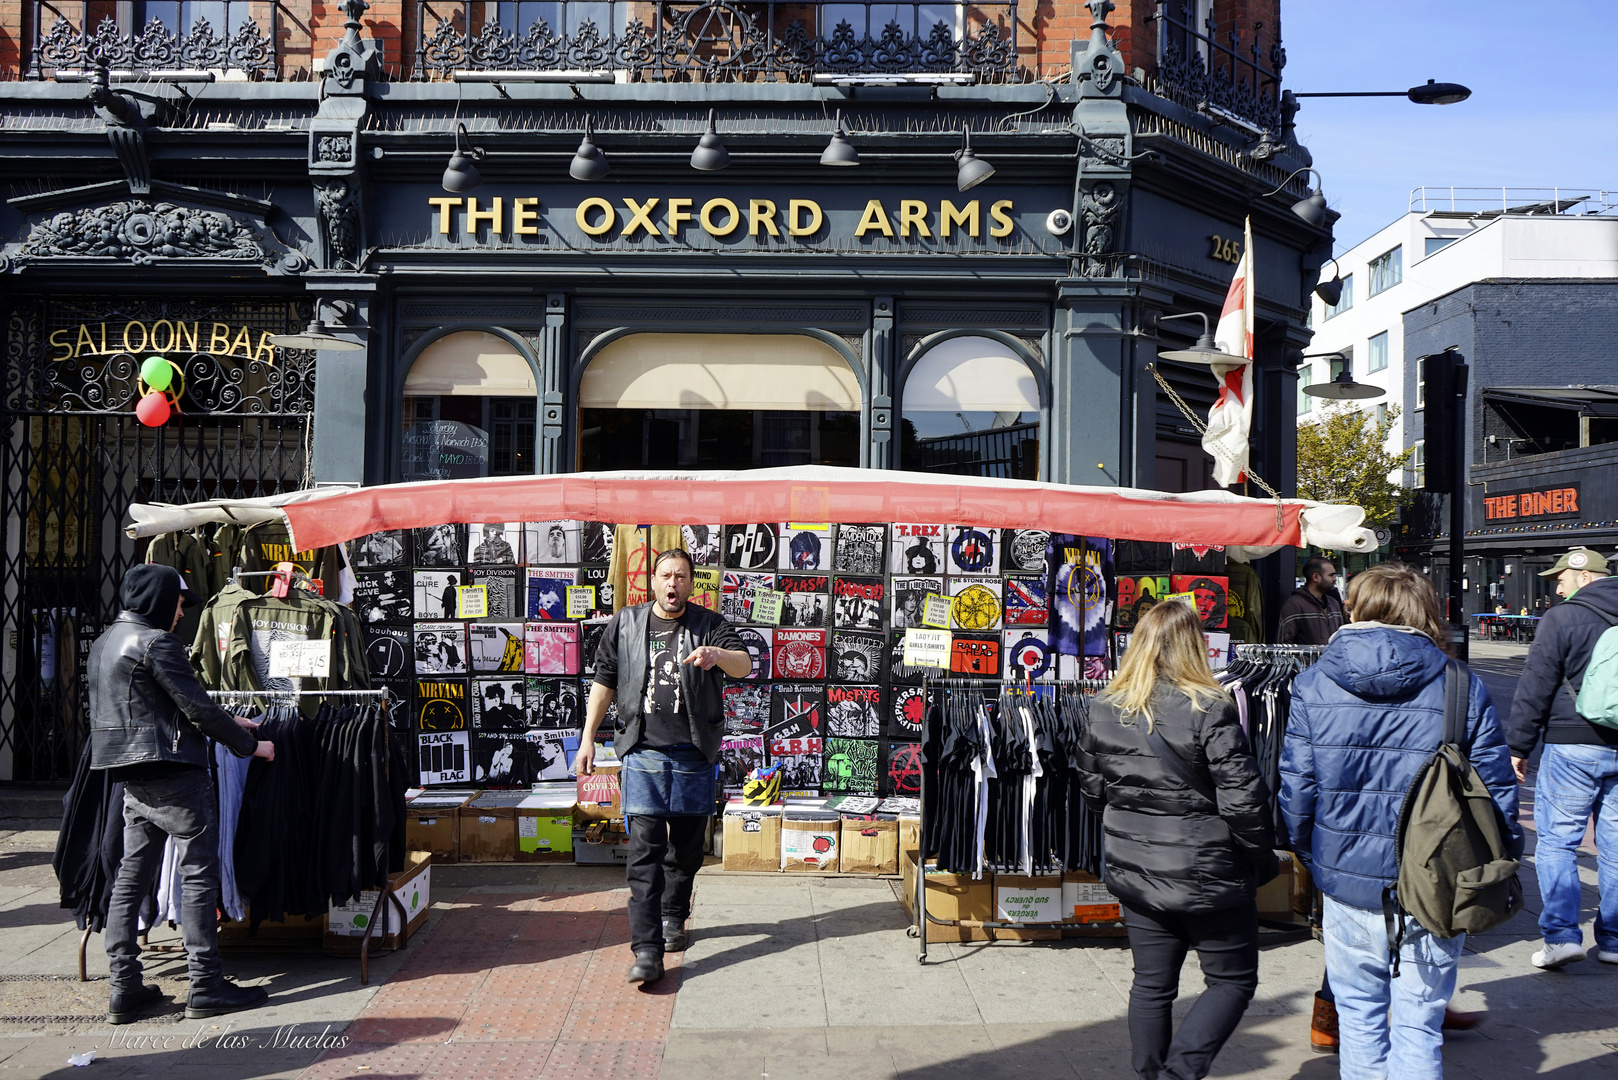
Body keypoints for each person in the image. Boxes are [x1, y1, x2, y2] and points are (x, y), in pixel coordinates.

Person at [1281, 564, 1520, 1080]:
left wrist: (1314, 857)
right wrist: (1505, 856)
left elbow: (1297, 790)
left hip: (1346, 880)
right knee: (1418, 1025)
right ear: (1423, 611)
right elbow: (1497, 793)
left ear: (1357, 608)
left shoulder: (1313, 683)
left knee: (1361, 1019)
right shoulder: (1460, 684)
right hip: (1437, 880)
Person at [1078, 600, 1275, 1080]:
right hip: (1208, 869)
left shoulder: (1105, 706)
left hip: (1136, 869)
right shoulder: (1210, 708)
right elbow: (1242, 800)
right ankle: (1180, 1073)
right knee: (1231, 981)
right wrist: (1260, 856)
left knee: (1151, 984)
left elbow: (1092, 789)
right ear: (1194, 647)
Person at [88, 565, 276, 1025]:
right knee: (197, 875)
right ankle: (205, 984)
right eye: (176, 603)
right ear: (158, 599)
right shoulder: (156, 642)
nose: (179, 614)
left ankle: (123, 986)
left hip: (133, 776)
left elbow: (164, 704)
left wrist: (236, 723)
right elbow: (195, 706)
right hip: (175, 775)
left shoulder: (104, 643)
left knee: (130, 878)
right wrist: (251, 745)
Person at [576, 548, 750, 984]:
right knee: (644, 853)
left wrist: (716, 655)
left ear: (691, 584)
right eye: (666, 576)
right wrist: (586, 742)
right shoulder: (626, 623)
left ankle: (675, 914)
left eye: (682, 577)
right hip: (643, 752)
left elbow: (744, 665)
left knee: (688, 852)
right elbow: (604, 683)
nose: (674, 584)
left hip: (694, 755)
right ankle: (647, 950)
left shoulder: (709, 625)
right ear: (652, 582)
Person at [1506, 547, 1618, 969]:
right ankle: (1614, 941)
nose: (1557, 585)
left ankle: (1561, 936)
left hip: (1572, 743)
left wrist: (1518, 746)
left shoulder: (1563, 618)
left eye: (1561, 578)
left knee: (1557, 843)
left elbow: (1536, 684)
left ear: (1585, 576)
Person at [1277, 556, 1346, 645]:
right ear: (1315, 577)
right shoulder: (1294, 605)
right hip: (1307, 659)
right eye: (1331, 575)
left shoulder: (1334, 603)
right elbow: (1283, 645)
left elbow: (1341, 637)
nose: (1335, 578)